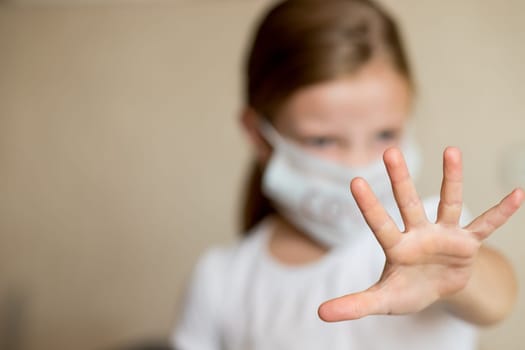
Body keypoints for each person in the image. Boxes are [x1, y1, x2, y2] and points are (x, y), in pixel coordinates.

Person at [171, 0, 524, 349]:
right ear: (258, 136)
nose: (358, 166)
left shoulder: (432, 237)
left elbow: (498, 298)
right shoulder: (221, 281)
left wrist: (459, 274)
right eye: (323, 140)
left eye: (384, 134)